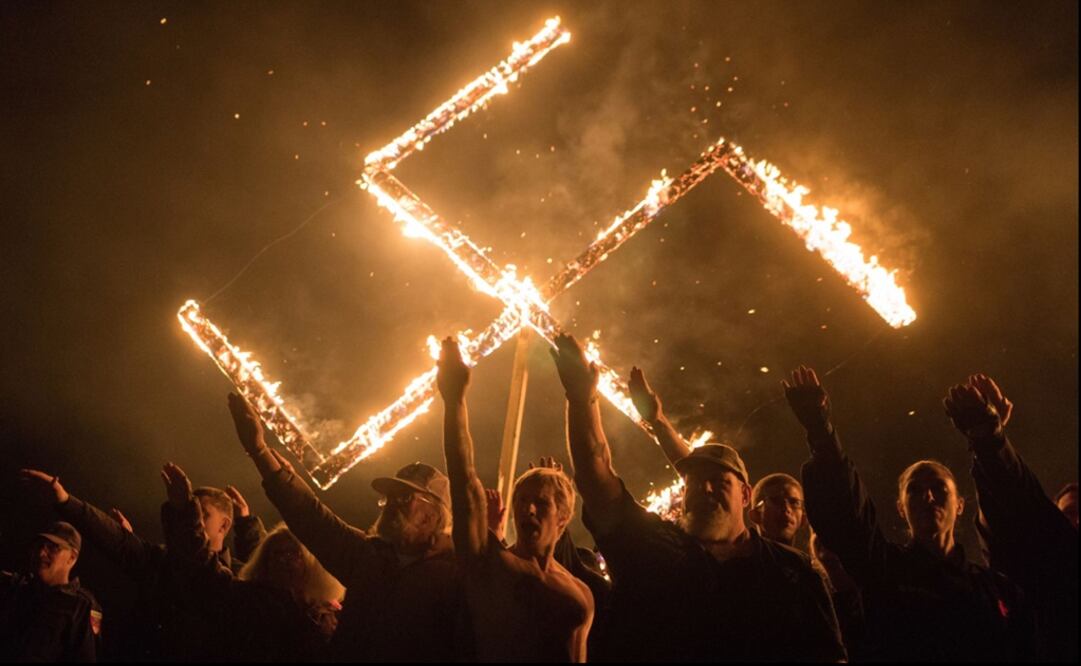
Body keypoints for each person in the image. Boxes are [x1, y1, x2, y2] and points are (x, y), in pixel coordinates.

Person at [551, 334, 845, 662]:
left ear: (746, 495)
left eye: (718, 481)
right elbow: (595, 476)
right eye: (695, 482)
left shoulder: (791, 572)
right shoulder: (653, 547)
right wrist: (581, 400)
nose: (705, 489)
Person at [788, 365, 1036, 661]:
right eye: (915, 491)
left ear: (960, 505)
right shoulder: (883, 571)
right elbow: (848, 515)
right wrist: (821, 431)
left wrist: (991, 439)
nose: (928, 497)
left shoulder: (997, 591)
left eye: (939, 489)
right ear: (901, 508)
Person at [227, 392, 461, 661]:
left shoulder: (455, 575)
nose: (392, 504)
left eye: (405, 497)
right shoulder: (367, 557)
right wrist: (259, 451)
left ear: (432, 515)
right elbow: (310, 516)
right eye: (390, 496)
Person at [437, 338, 594, 662]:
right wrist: (454, 401)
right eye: (522, 500)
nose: (528, 509)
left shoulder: (580, 592)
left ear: (563, 517)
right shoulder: (491, 565)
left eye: (541, 503)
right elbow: (465, 484)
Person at [19, 468, 264, 660]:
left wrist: (248, 526)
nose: (195, 520)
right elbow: (116, 539)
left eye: (203, 515)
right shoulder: (162, 561)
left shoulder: (238, 580)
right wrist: (65, 501)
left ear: (224, 525)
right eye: (192, 512)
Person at [943, 373, 1078, 661]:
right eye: (1069, 514)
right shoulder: (1032, 578)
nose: (1076, 523)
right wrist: (990, 442)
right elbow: (1016, 503)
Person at [160, 462, 343, 661]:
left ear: (311, 564)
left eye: (292, 554)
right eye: (275, 554)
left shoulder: (328, 614)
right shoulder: (250, 600)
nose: (282, 560)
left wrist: (246, 522)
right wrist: (183, 511)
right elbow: (204, 570)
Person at [0, 521, 101, 662]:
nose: (41, 553)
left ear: (72, 557)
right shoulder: (18, 587)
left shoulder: (81, 606)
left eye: (53, 548)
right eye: (40, 546)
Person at [749, 473, 807, 548]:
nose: (787, 509)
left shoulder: (806, 560)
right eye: (776, 501)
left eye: (794, 503)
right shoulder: (742, 559)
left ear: (803, 518)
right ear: (755, 515)